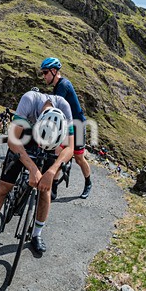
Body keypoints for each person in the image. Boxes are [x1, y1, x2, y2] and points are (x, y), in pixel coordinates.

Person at [0, 91, 74, 253]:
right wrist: (32, 168)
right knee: (4, 186)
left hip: (52, 144)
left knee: (45, 191)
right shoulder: (29, 101)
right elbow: (12, 141)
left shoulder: (64, 109)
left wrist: (51, 172)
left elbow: (70, 148)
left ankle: (36, 234)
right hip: (24, 138)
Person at [40, 57, 92, 199]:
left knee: (79, 158)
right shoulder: (57, 86)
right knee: (58, 154)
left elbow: (55, 109)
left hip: (78, 125)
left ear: (54, 71)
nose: (43, 76)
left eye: (45, 72)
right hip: (67, 126)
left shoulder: (63, 85)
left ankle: (88, 183)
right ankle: (54, 188)